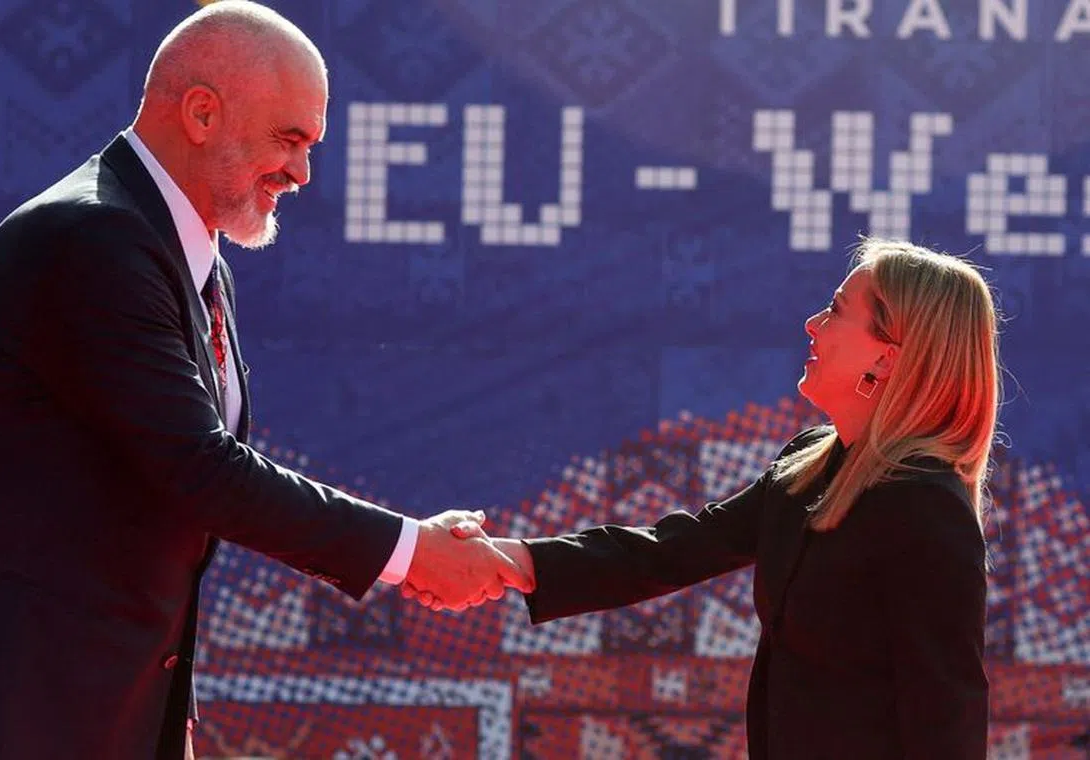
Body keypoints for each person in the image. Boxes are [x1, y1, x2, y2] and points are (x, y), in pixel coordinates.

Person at [0, 3, 531, 759]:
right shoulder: (95, 238)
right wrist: (413, 552)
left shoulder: (193, 259)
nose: (302, 171)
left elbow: (156, 510)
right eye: (290, 138)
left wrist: (165, 713)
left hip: (109, 709)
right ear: (201, 112)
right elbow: (199, 470)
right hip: (14, 708)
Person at [420, 239, 999, 759]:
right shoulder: (808, 466)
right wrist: (512, 559)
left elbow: (948, 714)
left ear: (887, 356)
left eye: (838, 311)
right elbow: (673, 549)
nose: (813, 323)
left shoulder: (926, 508)